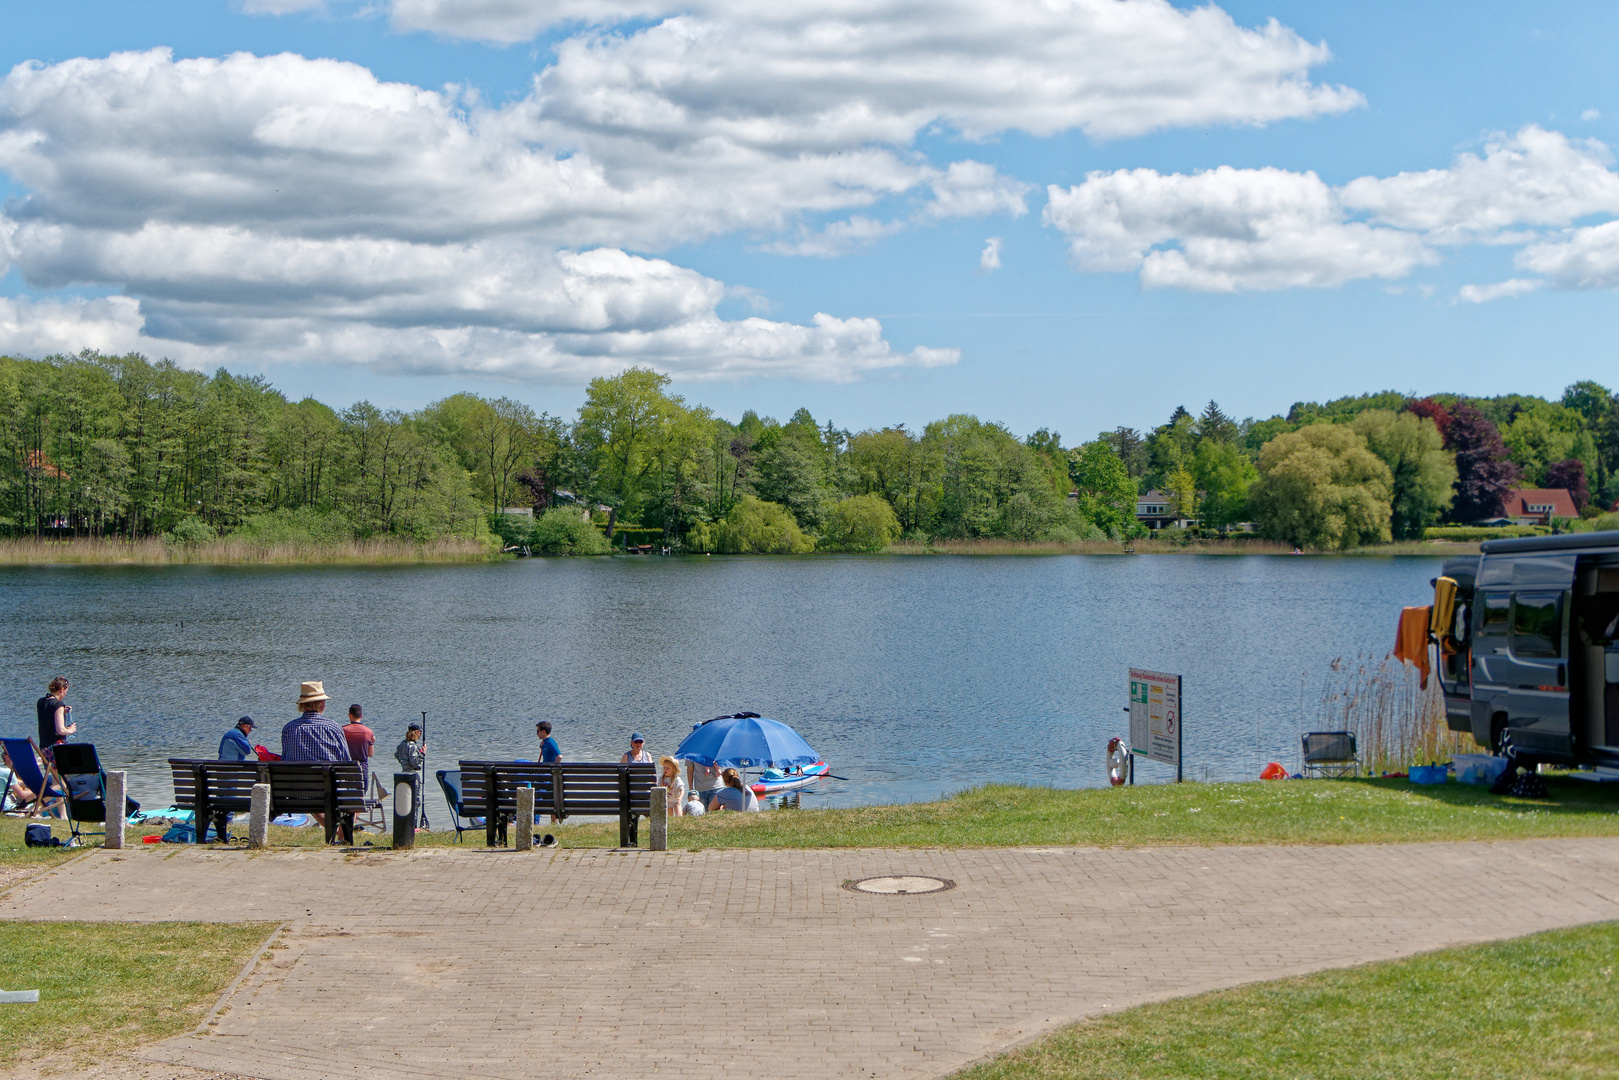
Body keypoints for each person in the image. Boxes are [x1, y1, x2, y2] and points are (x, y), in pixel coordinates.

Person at [281, 681, 351, 763]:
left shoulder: (288, 729)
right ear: (321, 703)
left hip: (296, 775)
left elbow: (284, 758)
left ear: (302, 704)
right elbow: (346, 761)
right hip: (328, 775)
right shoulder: (333, 728)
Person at [37, 676, 75, 755]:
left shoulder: (41, 702)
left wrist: (62, 712)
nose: (65, 694)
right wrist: (71, 730)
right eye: (66, 691)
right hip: (56, 750)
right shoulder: (58, 705)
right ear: (61, 690)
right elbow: (60, 730)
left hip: (44, 749)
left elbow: (48, 716)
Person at [342, 704, 375, 790]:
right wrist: (372, 743)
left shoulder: (343, 730)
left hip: (348, 767)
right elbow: (370, 754)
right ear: (361, 715)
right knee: (361, 792)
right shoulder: (368, 731)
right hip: (362, 767)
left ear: (350, 715)